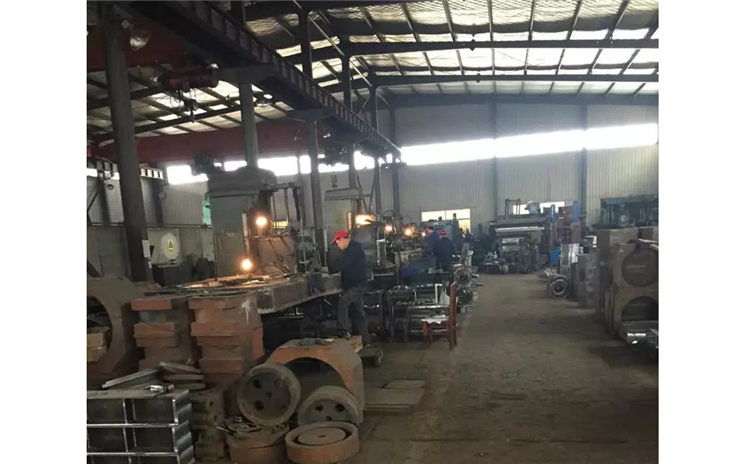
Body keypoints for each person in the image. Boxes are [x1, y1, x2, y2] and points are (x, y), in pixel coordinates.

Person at [330, 230, 370, 345]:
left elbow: (340, 265)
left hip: (357, 286)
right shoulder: (351, 249)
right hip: (354, 285)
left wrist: (330, 268)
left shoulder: (353, 249)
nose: (337, 245)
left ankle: (343, 331)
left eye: (337, 242)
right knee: (358, 312)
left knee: (343, 302)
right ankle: (365, 340)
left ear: (342, 239)